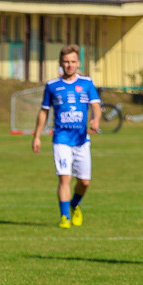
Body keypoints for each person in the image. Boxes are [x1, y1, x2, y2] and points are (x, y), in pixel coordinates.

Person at [31, 45, 101, 229]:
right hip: (61, 139)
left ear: (78, 63)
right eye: (66, 62)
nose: (69, 65)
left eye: (72, 62)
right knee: (64, 178)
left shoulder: (87, 83)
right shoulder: (52, 86)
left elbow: (95, 106)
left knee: (84, 182)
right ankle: (65, 218)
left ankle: (75, 204)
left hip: (81, 140)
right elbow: (44, 112)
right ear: (60, 63)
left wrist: (96, 120)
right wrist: (37, 136)